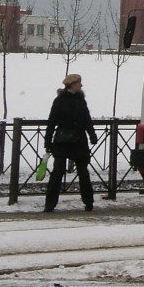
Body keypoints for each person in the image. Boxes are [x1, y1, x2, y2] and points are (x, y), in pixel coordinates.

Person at [43, 73, 98, 212]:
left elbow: (87, 119)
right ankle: (50, 204)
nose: (81, 85)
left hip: (78, 140)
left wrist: (92, 135)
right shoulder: (59, 100)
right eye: (79, 83)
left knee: (83, 173)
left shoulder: (81, 101)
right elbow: (51, 121)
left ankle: (88, 202)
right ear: (71, 85)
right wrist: (47, 141)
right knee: (58, 171)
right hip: (63, 140)